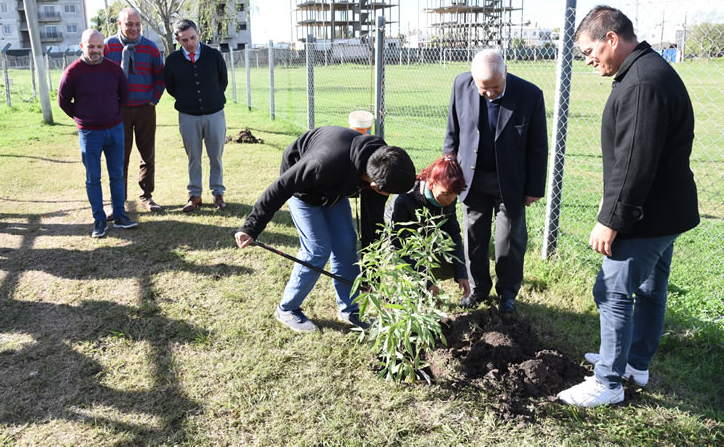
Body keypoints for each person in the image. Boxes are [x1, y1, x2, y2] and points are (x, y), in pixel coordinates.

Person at [557, 6, 699, 407]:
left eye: (589, 51)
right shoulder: (645, 71)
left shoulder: (641, 83)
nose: (587, 60)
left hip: (646, 214)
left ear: (612, 39)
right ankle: (634, 363)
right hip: (665, 208)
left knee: (612, 290)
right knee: (651, 290)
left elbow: (636, 162)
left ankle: (608, 381)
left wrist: (610, 220)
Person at [234, 126, 416, 333]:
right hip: (302, 190)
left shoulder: (383, 165)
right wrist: (251, 227)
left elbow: (372, 224)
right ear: (374, 184)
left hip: (335, 191)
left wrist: (370, 274)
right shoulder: (323, 163)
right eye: (389, 193)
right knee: (317, 248)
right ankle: (287, 309)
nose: (388, 196)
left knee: (347, 244)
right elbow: (281, 187)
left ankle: (350, 309)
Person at [443, 49, 548, 313]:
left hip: (510, 182)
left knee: (509, 241)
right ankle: (478, 288)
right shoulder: (461, 84)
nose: (489, 93)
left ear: (506, 74)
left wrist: (535, 187)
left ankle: (507, 294)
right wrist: (448, 167)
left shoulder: (530, 95)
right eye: (483, 88)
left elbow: (538, 146)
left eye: (495, 87)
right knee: (474, 237)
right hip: (471, 178)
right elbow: (453, 131)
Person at [58, 29, 138, 238]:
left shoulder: (114, 70)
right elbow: (63, 101)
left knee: (117, 174)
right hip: (89, 134)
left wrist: (114, 116)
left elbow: (124, 94)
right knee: (93, 177)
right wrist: (82, 118)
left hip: (115, 131)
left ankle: (120, 215)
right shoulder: (72, 72)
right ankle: (99, 220)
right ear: (82, 46)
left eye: (99, 46)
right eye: (90, 46)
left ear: (104, 47)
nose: (95, 50)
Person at [103, 7, 166, 214]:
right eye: (129, 24)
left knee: (147, 154)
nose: (134, 28)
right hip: (118, 112)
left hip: (145, 109)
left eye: (138, 24)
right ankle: (118, 201)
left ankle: (146, 196)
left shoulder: (151, 47)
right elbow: (98, 77)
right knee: (119, 156)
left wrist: (153, 100)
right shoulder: (108, 46)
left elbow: (160, 76)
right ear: (119, 24)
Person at [385, 154, 470, 301]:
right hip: (400, 243)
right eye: (446, 194)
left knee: (453, 263)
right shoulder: (405, 199)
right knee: (405, 263)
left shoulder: (448, 200)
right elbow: (397, 245)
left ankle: (425, 287)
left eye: (455, 195)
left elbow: (453, 233)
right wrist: (426, 282)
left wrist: (461, 273)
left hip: (425, 240)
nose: (450, 200)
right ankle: (413, 291)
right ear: (431, 184)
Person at [163, 19, 228, 212]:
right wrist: (187, 101)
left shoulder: (214, 55)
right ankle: (195, 195)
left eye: (193, 37)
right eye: (184, 40)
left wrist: (211, 99)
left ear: (198, 33)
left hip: (214, 113)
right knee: (194, 156)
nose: (190, 43)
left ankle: (217, 193)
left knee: (215, 155)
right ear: (177, 39)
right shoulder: (172, 60)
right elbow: (171, 87)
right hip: (188, 116)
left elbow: (222, 82)